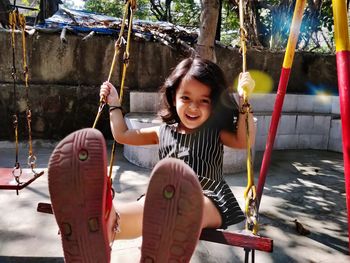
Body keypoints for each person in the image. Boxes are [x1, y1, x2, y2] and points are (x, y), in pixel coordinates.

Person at [48, 56, 256, 263]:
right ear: (174, 96)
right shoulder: (161, 131)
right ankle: (98, 227)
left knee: (184, 209)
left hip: (206, 198)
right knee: (133, 214)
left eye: (204, 101)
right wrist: (114, 104)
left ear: (213, 105)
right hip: (162, 198)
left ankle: (162, 244)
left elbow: (243, 140)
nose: (193, 107)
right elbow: (123, 135)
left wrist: (244, 102)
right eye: (186, 98)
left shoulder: (214, 132)